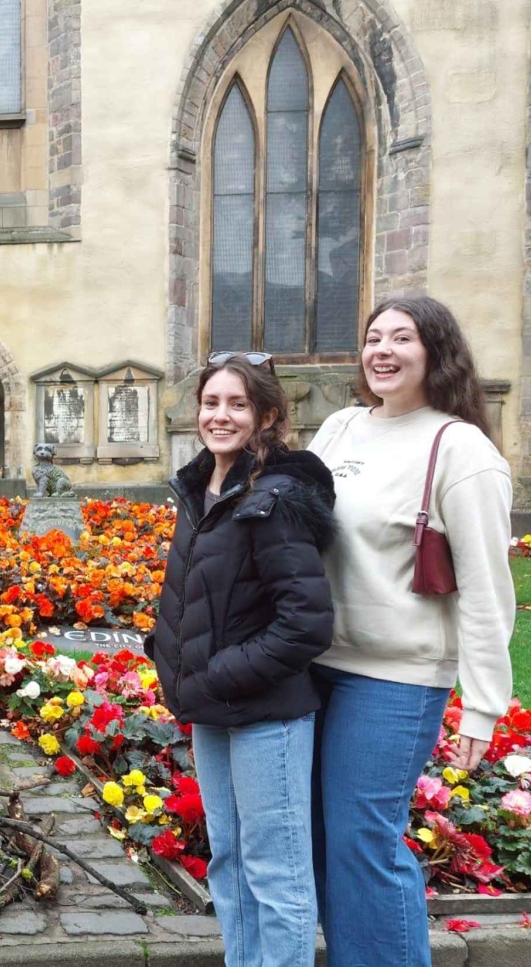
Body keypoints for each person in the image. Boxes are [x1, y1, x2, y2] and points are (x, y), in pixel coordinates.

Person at [307, 297, 515, 967]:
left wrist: (481, 706)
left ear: (436, 352)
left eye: (403, 337)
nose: (384, 350)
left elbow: (487, 586)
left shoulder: (459, 447)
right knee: (320, 840)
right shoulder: (340, 427)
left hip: (394, 678)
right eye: (374, 337)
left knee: (362, 840)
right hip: (311, 665)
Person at [147, 353, 336, 967]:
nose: (219, 416)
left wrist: (217, 675)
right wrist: (167, 658)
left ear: (267, 416)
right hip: (212, 709)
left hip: (265, 716)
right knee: (227, 860)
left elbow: (305, 624)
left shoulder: (274, 498)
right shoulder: (201, 487)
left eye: (237, 404)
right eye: (211, 403)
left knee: (275, 872)